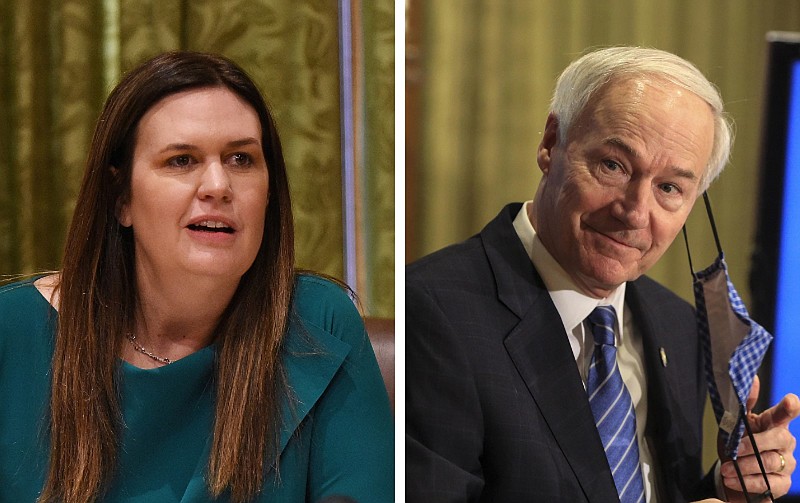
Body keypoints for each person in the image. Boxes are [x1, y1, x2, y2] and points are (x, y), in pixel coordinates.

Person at [406, 46, 798, 502]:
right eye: (613, 166)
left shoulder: (679, 326)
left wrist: (728, 488)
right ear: (551, 143)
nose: (634, 212)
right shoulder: (435, 314)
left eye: (669, 188)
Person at [0, 51, 393, 502]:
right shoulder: (11, 334)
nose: (217, 186)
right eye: (182, 160)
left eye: (241, 159)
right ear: (121, 197)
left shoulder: (317, 324)